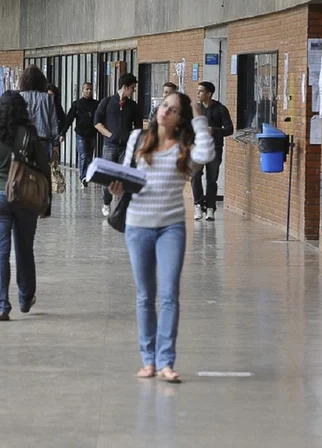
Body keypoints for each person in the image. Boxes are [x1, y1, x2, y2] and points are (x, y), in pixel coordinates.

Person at [108, 92, 214, 382]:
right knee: (145, 295)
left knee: (169, 295)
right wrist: (117, 189)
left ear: (182, 119)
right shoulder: (137, 139)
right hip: (138, 225)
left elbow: (207, 155)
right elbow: (125, 177)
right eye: (164, 105)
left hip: (171, 227)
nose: (164, 111)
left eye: (173, 110)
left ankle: (166, 361)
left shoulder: (185, 146)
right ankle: (148, 360)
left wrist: (199, 117)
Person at [0, 91, 51, 321]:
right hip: (25, 197)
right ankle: (26, 298)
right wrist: (46, 202)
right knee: (25, 249)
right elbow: (44, 169)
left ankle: (2, 305)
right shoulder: (30, 134)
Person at [95, 73, 143, 217]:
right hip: (110, 146)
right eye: (133, 88)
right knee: (108, 176)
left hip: (126, 148)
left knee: (125, 176)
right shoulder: (107, 102)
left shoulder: (133, 106)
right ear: (125, 87)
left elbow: (138, 125)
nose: (134, 90)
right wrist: (110, 135)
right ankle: (106, 202)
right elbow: (97, 123)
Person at [191, 81, 234, 221]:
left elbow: (229, 129)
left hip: (214, 148)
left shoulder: (221, 109)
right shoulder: (196, 109)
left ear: (209, 94)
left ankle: (210, 208)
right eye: (198, 91)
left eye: (201, 91)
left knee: (211, 179)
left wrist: (214, 130)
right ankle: (198, 204)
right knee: (195, 176)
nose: (198, 94)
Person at [63, 82, 99, 188]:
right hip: (81, 134)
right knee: (83, 155)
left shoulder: (96, 104)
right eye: (87, 89)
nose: (89, 91)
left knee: (89, 156)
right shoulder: (77, 104)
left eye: (91, 89)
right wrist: (63, 132)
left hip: (92, 134)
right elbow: (69, 119)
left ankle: (87, 175)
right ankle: (83, 177)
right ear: (82, 90)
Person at [19, 65, 58, 160]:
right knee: (40, 172)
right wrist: (55, 144)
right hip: (42, 141)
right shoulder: (48, 98)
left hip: (23, 139)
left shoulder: (19, 97)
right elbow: (53, 123)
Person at [47, 83, 67, 157]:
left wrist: (62, 133)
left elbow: (63, 119)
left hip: (54, 134)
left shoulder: (57, 105)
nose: (50, 98)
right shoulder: (43, 105)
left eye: (52, 95)